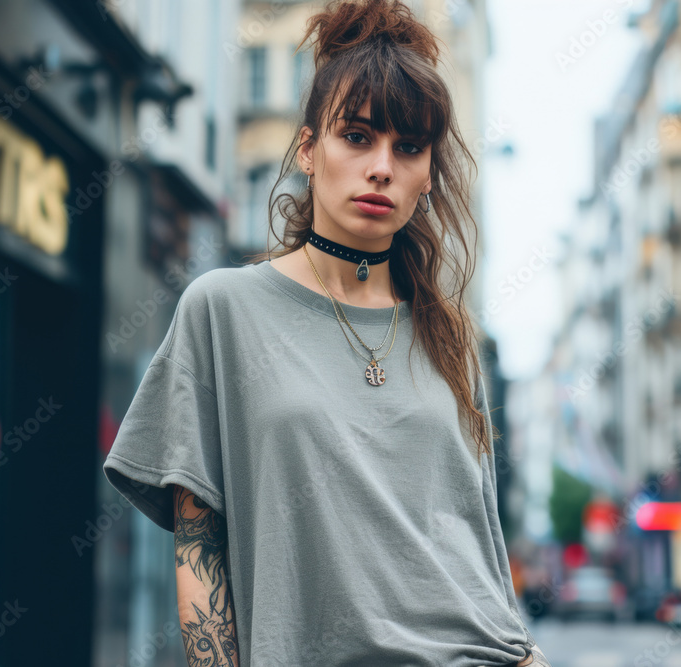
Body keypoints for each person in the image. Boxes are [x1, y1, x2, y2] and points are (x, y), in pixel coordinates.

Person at [102, 1, 550, 665]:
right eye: (358, 136)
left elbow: (477, 537)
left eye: (409, 147)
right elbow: (200, 554)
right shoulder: (223, 309)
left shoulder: (449, 338)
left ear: (428, 174)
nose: (381, 168)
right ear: (309, 150)